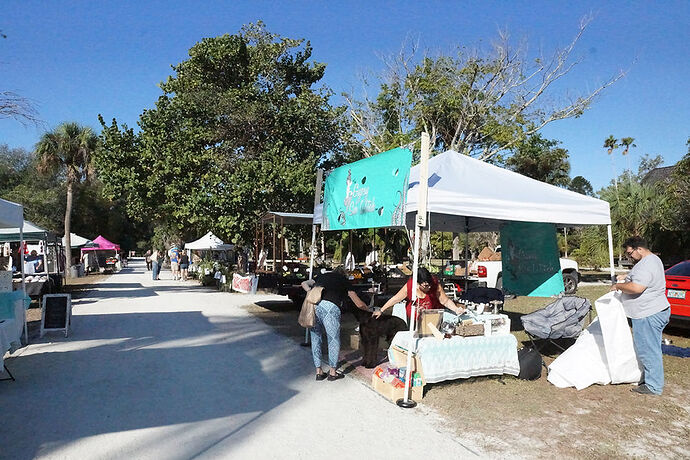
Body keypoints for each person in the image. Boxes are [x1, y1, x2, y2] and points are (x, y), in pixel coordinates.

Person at [611, 236, 670, 396]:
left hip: (648, 313)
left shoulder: (647, 263)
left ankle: (653, 386)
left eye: (630, 253)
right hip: (653, 311)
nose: (629, 256)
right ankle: (651, 379)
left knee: (648, 349)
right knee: (651, 347)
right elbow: (640, 277)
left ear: (639, 249)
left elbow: (637, 287)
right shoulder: (651, 260)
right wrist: (627, 276)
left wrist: (618, 285)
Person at [301, 267, 368, 381]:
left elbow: (304, 283)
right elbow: (357, 302)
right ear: (344, 274)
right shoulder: (343, 280)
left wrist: (309, 291)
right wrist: (367, 308)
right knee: (333, 339)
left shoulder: (321, 277)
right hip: (331, 308)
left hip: (315, 306)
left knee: (316, 337)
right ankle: (332, 372)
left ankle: (319, 371)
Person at [373, 267, 465, 321]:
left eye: (429, 285)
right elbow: (396, 299)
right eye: (425, 286)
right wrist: (381, 310)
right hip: (414, 320)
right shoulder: (409, 286)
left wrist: (456, 309)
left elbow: (445, 300)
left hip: (432, 319)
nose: (428, 288)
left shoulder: (435, 284)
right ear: (417, 283)